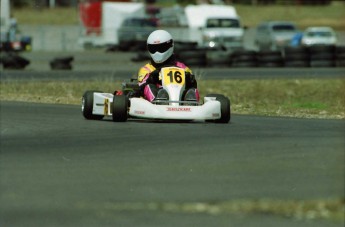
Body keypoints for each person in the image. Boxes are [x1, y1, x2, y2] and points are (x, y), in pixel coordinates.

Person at [137, 29, 199, 103]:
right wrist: (151, 78)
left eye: (161, 48)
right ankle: (159, 101)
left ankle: (191, 103)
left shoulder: (182, 68)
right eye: (153, 49)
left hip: (180, 101)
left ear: (170, 46)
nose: (157, 52)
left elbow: (194, 86)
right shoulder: (146, 69)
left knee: (192, 90)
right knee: (149, 86)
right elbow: (141, 88)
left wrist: (190, 80)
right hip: (152, 104)